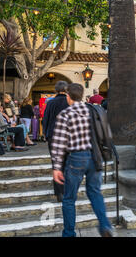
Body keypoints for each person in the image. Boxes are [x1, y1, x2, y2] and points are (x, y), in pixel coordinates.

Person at [51, 83, 113, 237]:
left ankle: (69, 233)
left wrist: (57, 167)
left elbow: (58, 144)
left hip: (76, 158)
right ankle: (105, 225)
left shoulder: (65, 115)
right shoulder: (93, 110)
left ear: (68, 97)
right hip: (95, 156)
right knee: (95, 192)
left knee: (69, 198)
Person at [42, 81, 69, 202]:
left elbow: (45, 119)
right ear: (66, 90)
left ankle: (59, 193)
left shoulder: (50, 102)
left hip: (54, 136)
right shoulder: (70, 102)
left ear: (56, 90)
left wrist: (45, 134)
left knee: (56, 164)